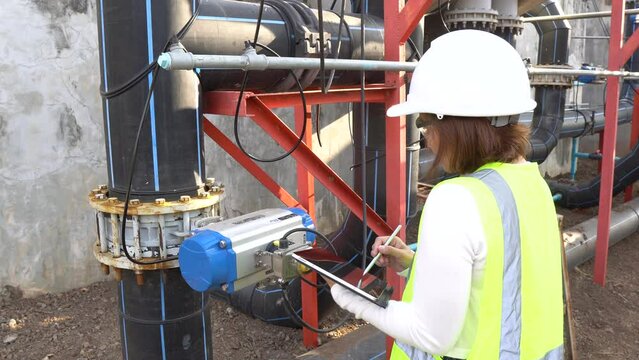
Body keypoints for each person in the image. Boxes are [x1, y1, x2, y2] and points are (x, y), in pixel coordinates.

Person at [323, 30, 564, 360]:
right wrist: (415, 264)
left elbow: (430, 335)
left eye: (424, 121)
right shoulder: (532, 183)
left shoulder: (455, 200)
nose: (425, 138)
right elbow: (501, 283)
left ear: (455, 124)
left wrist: (351, 299)